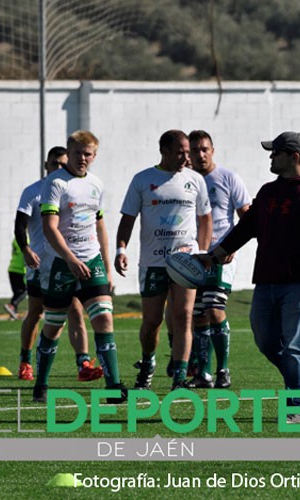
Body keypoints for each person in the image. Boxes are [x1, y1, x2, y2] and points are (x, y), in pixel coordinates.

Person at [205, 131, 300, 423]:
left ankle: (294, 407)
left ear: (294, 157)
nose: (271, 157)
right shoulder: (269, 192)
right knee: (267, 342)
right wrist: (214, 255)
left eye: (276, 153)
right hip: (267, 281)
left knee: (296, 343)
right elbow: (245, 228)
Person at [31, 131, 127, 403]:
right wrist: (71, 260)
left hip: (92, 260)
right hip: (61, 263)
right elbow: (50, 229)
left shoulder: (97, 184)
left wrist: (107, 266)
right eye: (78, 153)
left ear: (94, 156)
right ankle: (41, 384)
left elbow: (99, 226)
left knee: (104, 318)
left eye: (88, 154)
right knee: (53, 325)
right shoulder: (55, 183)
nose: (83, 158)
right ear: (69, 153)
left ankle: (113, 387)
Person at [115, 129, 212, 390]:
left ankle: (179, 377)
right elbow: (128, 218)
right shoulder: (143, 179)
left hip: (185, 260)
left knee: (184, 316)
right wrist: (120, 250)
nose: (186, 157)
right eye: (180, 152)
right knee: (152, 321)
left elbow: (205, 218)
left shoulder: (195, 180)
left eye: (187, 151)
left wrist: (202, 252)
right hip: (153, 261)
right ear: (164, 151)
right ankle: (147, 365)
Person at [14, 146, 103, 383]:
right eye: (55, 163)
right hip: (40, 263)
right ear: (46, 165)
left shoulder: (75, 189)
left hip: (67, 262)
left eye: (63, 163)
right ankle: (26, 361)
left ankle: (83, 363)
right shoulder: (33, 192)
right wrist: (26, 249)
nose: (59, 167)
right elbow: (19, 224)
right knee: (35, 312)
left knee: (75, 310)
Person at [185, 130, 250, 389]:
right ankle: (204, 373)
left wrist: (231, 246)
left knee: (214, 309)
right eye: (195, 150)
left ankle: (223, 370)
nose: (200, 154)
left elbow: (247, 216)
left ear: (213, 150)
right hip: (194, 257)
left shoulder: (228, 178)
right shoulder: (186, 181)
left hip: (221, 256)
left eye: (204, 149)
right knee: (199, 315)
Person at [3, 238, 27, 320]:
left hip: (12, 268)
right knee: (25, 291)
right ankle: (12, 306)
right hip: (20, 269)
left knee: (17, 292)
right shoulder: (27, 238)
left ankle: (13, 314)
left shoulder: (15, 239)